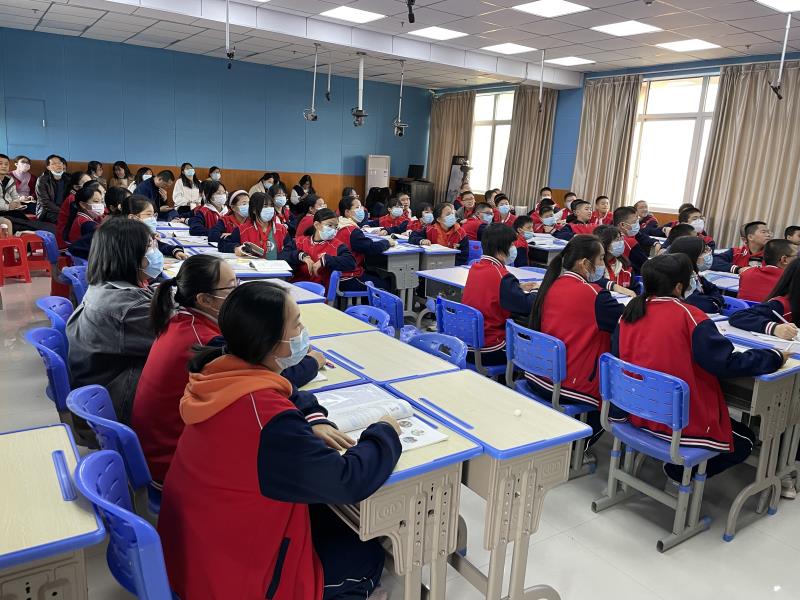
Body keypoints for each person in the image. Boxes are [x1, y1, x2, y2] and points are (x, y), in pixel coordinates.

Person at [157, 281, 401, 600]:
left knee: (329, 517)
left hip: (191, 551)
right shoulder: (268, 420)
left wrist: (313, 419)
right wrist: (384, 431)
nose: (303, 331)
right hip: (233, 580)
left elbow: (283, 388)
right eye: (297, 324)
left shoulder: (217, 373)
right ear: (271, 342)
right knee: (366, 556)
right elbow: (348, 480)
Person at [132, 257, 332, 487]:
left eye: (237, 282)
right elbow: (268, 376)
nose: (237, 290)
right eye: (230, 286)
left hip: (161, 448)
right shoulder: (204, 341)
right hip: (170, 461)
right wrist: (312, 362)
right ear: (205, 299)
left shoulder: (183, 321)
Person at [613, 253, 786, 482]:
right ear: (679, 286)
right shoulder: (690, 316)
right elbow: (726, 362)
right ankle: (678, 472)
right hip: (678, 419)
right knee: (745, 441)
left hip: (638, 409)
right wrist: (774, 356)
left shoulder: (630, 313)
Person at [526, 235, 625, 448]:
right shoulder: (595, 296)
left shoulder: (552, 284)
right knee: (619, 395)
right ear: (584, 263)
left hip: (539, 374)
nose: (603, 265)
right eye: (600, 259)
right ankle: (577, 449)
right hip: (572, 385)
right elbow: (626, 320)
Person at [66, 218, 160, 423]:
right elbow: (176, 342)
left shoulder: (105, 285)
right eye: (150, 246)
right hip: (114, 402)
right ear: (129, 255)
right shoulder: (127, 308)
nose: (155, 252)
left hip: (101, 387)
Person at [462, 224, 538, 367]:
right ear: (500, 249)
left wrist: (517, 287)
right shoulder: (502, 276)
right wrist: (535, 290)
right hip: (490, 348)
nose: (514, 249)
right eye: (511, 245)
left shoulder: (476, 267)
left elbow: (492, 290)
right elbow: (527, 305)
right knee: (535, 351)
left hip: (468, 342)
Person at [336, 195, 394, 292]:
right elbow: (371, 248)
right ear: (347, 212)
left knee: (376, 274)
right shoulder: (352, 231)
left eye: (361, 206)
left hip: (339, 274)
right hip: (349, 277)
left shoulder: (339, 225)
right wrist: (387, 242)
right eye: (357, 207)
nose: (361, 210)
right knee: (387, 285)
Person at [294, 208, 357, 291]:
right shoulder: (300, 241)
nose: (334, 230)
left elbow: (351, 262)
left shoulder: (338, 245)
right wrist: (301, 256)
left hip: (321, 291)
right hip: (295, 288)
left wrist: (325, 260)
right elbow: (283, 256)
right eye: (330, 225)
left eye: (336, 227)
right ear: (317, 225)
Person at [219, 192, 290, 260]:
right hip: (252, 267)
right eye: (265, 206)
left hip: (277, 267)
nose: (269, 209)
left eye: (271, 205)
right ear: (254, 210)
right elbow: (222, 244)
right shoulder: (243, 230)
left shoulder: (281, 229)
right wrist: (236, 248)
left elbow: (290, 251)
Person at [67, 187, 132, 259]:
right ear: (83, 204)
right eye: (96, 201)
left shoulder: (94, 219)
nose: (101, 205)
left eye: (101, 201)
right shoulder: (87, 224)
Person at [667, 236, 725, 313]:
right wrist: (715, 299)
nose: (708, 253)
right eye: (704, 251)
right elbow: (711, 306)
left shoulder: (695, 276)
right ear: (691, 257)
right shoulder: (684, 283)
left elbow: (713, 288)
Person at [121, 195, 187, 260]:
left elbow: (160, 245)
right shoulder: (126, 240)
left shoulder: (144, 234)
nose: (153, 219)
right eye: (149, 214)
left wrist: (175, 251)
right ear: (132, 218)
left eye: (154, 215)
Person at [0, 153, 42, 233]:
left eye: (6, 164)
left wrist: (18, 201)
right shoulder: (11, 175)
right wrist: (12, 203)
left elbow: (14, 195)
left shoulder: (9, 179)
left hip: (16, 206)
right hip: (6, 208)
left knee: (29, 221)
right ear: (16, 164)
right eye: (0, 163)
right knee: (17, 222)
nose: (4, 166)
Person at [613, 206, 660, 273]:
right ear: (622, 225)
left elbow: (642, 236)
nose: (637, 225)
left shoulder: (608, 236)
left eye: (637, 221)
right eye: (634, 222)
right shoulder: (630, 243)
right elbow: (646, 265)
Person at [593, 225, 637, 297]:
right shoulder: (594, 266)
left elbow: (635, 290)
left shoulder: (626, 267)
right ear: (605, 244)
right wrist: (614, 286)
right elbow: (592, 280)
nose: (621, 242)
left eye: (621, 238)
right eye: (617, 240)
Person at [36, 154, 69, 223]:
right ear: (48, 167)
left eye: (60, 163)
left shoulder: (68, 178)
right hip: (47, 211)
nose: (58, 165)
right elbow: (45, 202)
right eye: (54, 164)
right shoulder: (42, 180)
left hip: (64, 210)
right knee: (64, 220)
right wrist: (62, 211)